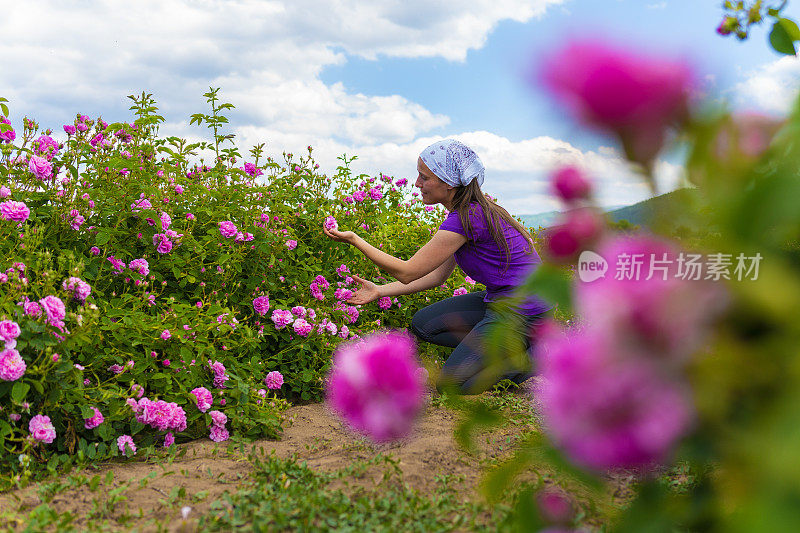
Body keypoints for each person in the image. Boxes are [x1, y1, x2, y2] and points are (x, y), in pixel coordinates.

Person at [323, 139, 551, 394]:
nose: (417, 184)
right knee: (425, 324)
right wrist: (380, 290)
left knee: (451, 385)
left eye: (424, 177)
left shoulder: (469, 217)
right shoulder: (468, 213)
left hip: (526, 311)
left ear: (449, 182)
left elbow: (408, 272)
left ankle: (534, 360)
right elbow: (436, 277)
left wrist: (355, 239)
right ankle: (500, 349)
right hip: (502, 300)